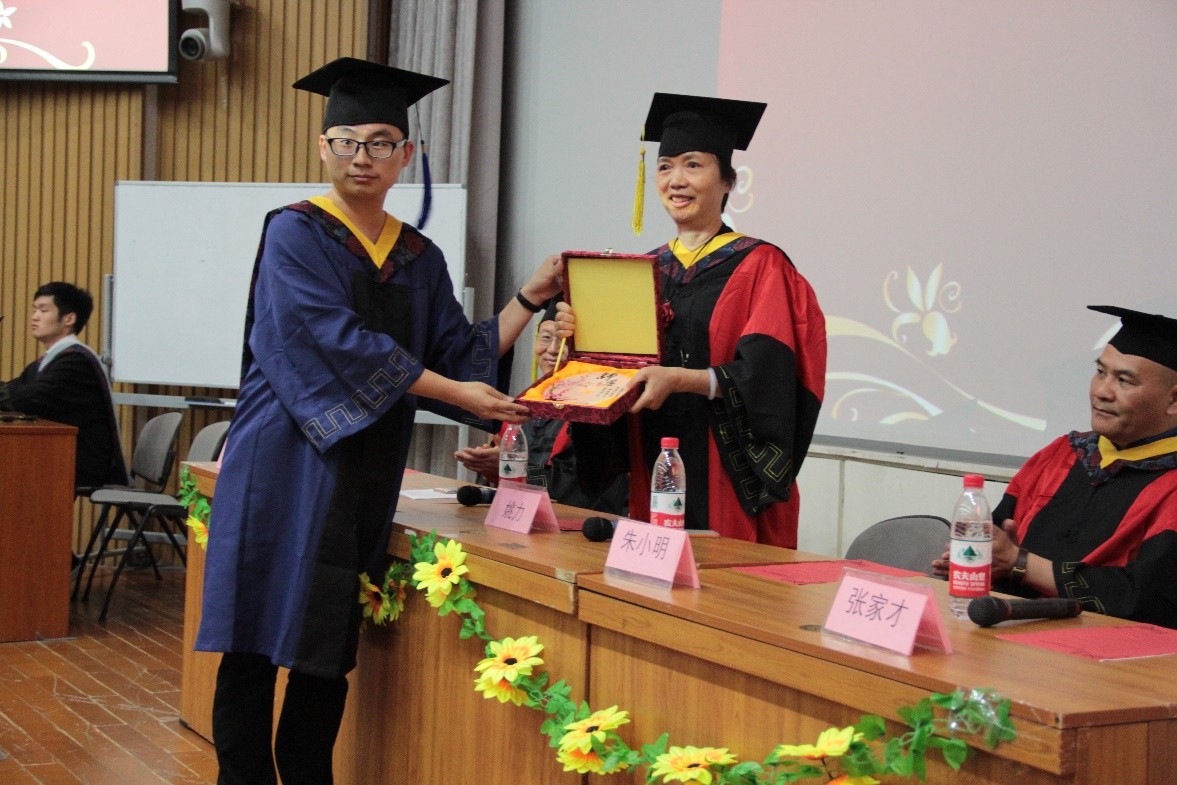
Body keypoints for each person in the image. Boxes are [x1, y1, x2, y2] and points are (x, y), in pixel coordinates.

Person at [194, 58, 564, 785]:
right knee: (254, 636)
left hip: (361, 464)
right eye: (347, 141)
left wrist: (527, 296)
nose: (362, 156)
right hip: (285, 454)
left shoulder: (417, 255)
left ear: (406, 155)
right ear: (323, 147)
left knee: (325, 640)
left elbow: (458, 352)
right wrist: (458, 395)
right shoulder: (295, 232)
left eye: (380, 142)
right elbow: (336, 340)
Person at [567, 93, 827, 548]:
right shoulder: (643, 272)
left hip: (727, 472)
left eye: (693, 165)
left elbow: (771, 379)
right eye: (665, 167)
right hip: (652, 461)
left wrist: (683, 380)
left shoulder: (761, 266)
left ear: (728, 181)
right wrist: (570, 348)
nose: (676, 180)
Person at [933, 305, 1177, 628]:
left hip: (1107, 650)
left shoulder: (1170, 485)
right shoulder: (1061, 455)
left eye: (1124, 381)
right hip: (1012, 634)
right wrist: (977, 562)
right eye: (1100, 372)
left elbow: (1147, 600)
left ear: (1174, 400)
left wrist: (1020, 563)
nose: (1102, 391)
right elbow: (998, 542)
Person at [454, 313, 629, 515]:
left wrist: (517, 470)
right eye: (545, 337)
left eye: (564, 342)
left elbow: (583, 489)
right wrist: (488, 465)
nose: (553, 349)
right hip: (518, 516)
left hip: (579, 524)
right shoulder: (522, 405)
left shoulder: (596, 412)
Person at [0, 282, 128, 490]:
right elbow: (15, 389)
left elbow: (28, 399)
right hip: (57, 455)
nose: (34, 317)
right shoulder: (50, 360)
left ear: (69, 319)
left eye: (43, 310)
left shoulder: (76, 361)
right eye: (34, 310)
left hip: (80, 462)